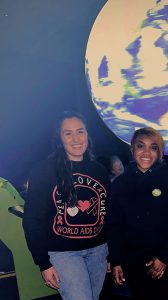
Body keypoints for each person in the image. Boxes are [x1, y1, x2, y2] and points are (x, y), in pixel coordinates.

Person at [23, 111, 110, 300]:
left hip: (99, 251)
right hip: (64, 254)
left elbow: (109, 214)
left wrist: (112, 254)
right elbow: (32, 220)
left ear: (88, 135)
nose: (76, 138)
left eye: (80, 131)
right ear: (59, 138)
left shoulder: (99, 170)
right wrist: (43, 263)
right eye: (68, 133)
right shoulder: (44, 171)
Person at [106, 127, 168, 300]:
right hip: (131, 261)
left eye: (153, 147)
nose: (146, 152)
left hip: (163, 260)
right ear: (132, 149)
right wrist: (115, 261)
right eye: (140, 146)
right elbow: (114, 225)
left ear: (160, 152)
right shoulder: (120, 184)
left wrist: (166, 256)